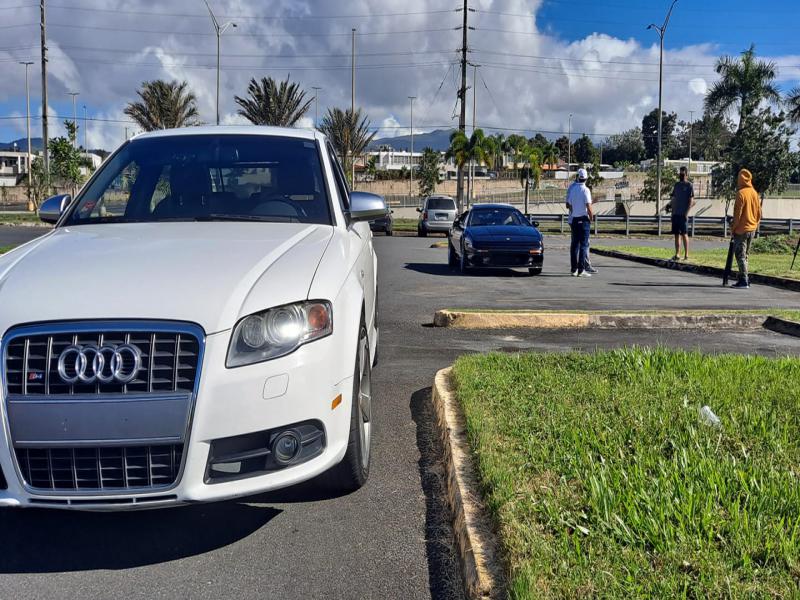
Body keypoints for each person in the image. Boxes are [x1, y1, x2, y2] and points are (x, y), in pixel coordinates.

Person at [730, 168, 761, 289]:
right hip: (752, 228)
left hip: (741, 229)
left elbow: (737, 215)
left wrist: (733, 228)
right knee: (746, 254)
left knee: (740, 255)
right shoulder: (754, 193)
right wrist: (755, 224)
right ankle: (745, 278)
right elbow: (759, 213)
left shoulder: (741, 194)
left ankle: (743, 279)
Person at [566, 168, 593, 277]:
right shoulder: (585, 190)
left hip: (574, 219)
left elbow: (568, 205)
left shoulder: (572, 189)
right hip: (583, 219)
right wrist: (591, 217)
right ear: (586, 178)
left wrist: (574, 212)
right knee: (583, 245)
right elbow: (588, 206)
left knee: (574, 245)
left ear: (577, 177)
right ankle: (581, 270)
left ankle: (574, 269)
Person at [670, 166, 695, 261]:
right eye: (680, 174)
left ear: (686, 174)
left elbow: (692, 201)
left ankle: (686, 255)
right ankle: (677, 254)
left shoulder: (689, 186)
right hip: (676, 214)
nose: (681, 175)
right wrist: (672, 213)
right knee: (676, 234)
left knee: (684, 234)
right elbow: (673, 199)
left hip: (683, 214)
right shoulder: (676, 185)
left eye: (683, 174)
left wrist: (686, 213)